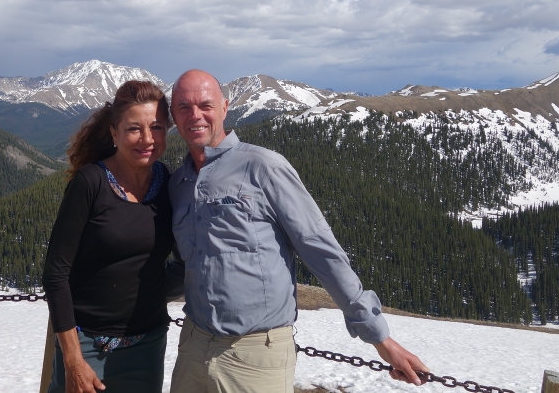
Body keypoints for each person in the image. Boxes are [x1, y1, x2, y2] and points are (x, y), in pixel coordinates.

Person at [168, 69, 429, 393]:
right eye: (184, 107)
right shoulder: (178, 184)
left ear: (224, 107)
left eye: (205, 105)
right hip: (192, 346)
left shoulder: (263, 167)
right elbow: (182, 265)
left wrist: (380, 338)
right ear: (173, 116)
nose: (195, 115)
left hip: (254, 354)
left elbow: (320, 249)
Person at [42, 80, 182, 393]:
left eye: (157, 127)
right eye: (134, 128)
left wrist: (156, 291)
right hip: (88, 346)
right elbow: (55, 274)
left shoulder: (169, 183)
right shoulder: (90, 183)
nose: (147, 139)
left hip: (148, 345)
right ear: (114, 132)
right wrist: (73, 358)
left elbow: (185, 257)